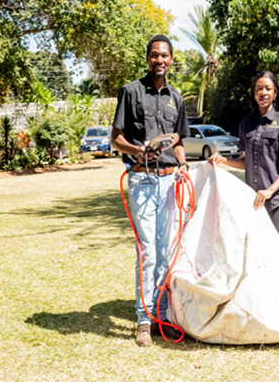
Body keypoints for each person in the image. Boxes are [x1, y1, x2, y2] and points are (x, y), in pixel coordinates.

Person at [111, 35, 190, 347]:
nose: (160, 60)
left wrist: (184, 168)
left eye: (165, 55)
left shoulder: (177, 97)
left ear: (171, 60)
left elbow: (179, 141)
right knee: (147, 251)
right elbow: (115, 138)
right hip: (142, 180)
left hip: (171, 181)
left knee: (166, 252)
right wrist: (138, 149)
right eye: (155, 55)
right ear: (148, 59)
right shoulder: (131, 92)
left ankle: (162, 316)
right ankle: (144, 319)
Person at [208, 71, 279, 251]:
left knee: (278, 252)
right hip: (252, 200)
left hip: (276, 201)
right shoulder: (245, 125)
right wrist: (222, 160)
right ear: (254, 93)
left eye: (267, 89)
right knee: (256, 252)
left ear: (275, 93)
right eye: (259, 89)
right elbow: (245, 162)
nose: (263, 93)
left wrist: (270, 191)